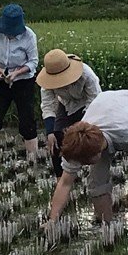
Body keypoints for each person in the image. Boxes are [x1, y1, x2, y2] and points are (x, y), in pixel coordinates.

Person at [49, 89, 128, 227]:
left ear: (98, 151)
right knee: (96, 181)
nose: (84, 165)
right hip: (105, 106)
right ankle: (107, 227)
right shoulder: (77, 144)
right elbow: (65, 183)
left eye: (86, 161)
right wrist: (52, 221)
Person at [0, 3, 39, 163]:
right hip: (0, 80)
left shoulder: (29, 36)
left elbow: (33, 62)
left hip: (23, 81)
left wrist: (17, 73)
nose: (9, 35)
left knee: (27, 121)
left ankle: (32, 160)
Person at [36, 49, 102, 178]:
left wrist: (83, 124)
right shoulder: (46, 82)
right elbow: (48, 104)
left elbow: (95, 99)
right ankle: (61, 178)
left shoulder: (87, 74)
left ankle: (93, 172)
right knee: (56, 139)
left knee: (87, 138)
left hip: (88, 105)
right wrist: (50, 132)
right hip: (65, 104)